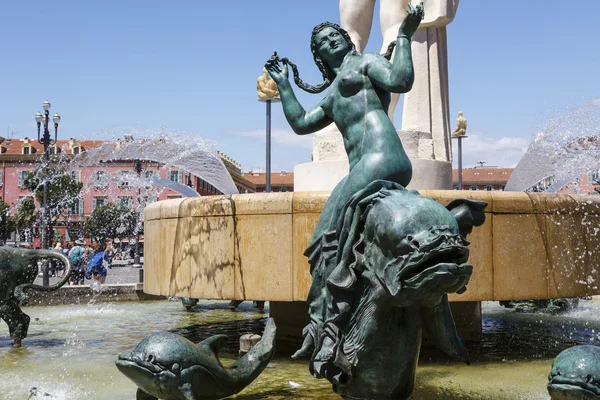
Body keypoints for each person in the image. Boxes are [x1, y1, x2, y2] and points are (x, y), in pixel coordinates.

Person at [265, 3, 423, 377]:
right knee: (341, 237)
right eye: (324, 40)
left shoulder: (363, 62)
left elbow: (402, 80)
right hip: (372, 166)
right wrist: (285, 85)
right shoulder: (337, 88)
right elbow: (302, 124)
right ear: (319, 56)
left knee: (325, 236)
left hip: (380, 158)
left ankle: (323, 330)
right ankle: (334, 321)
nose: (333, 38)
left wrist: (403, 35)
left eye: (335, 34)